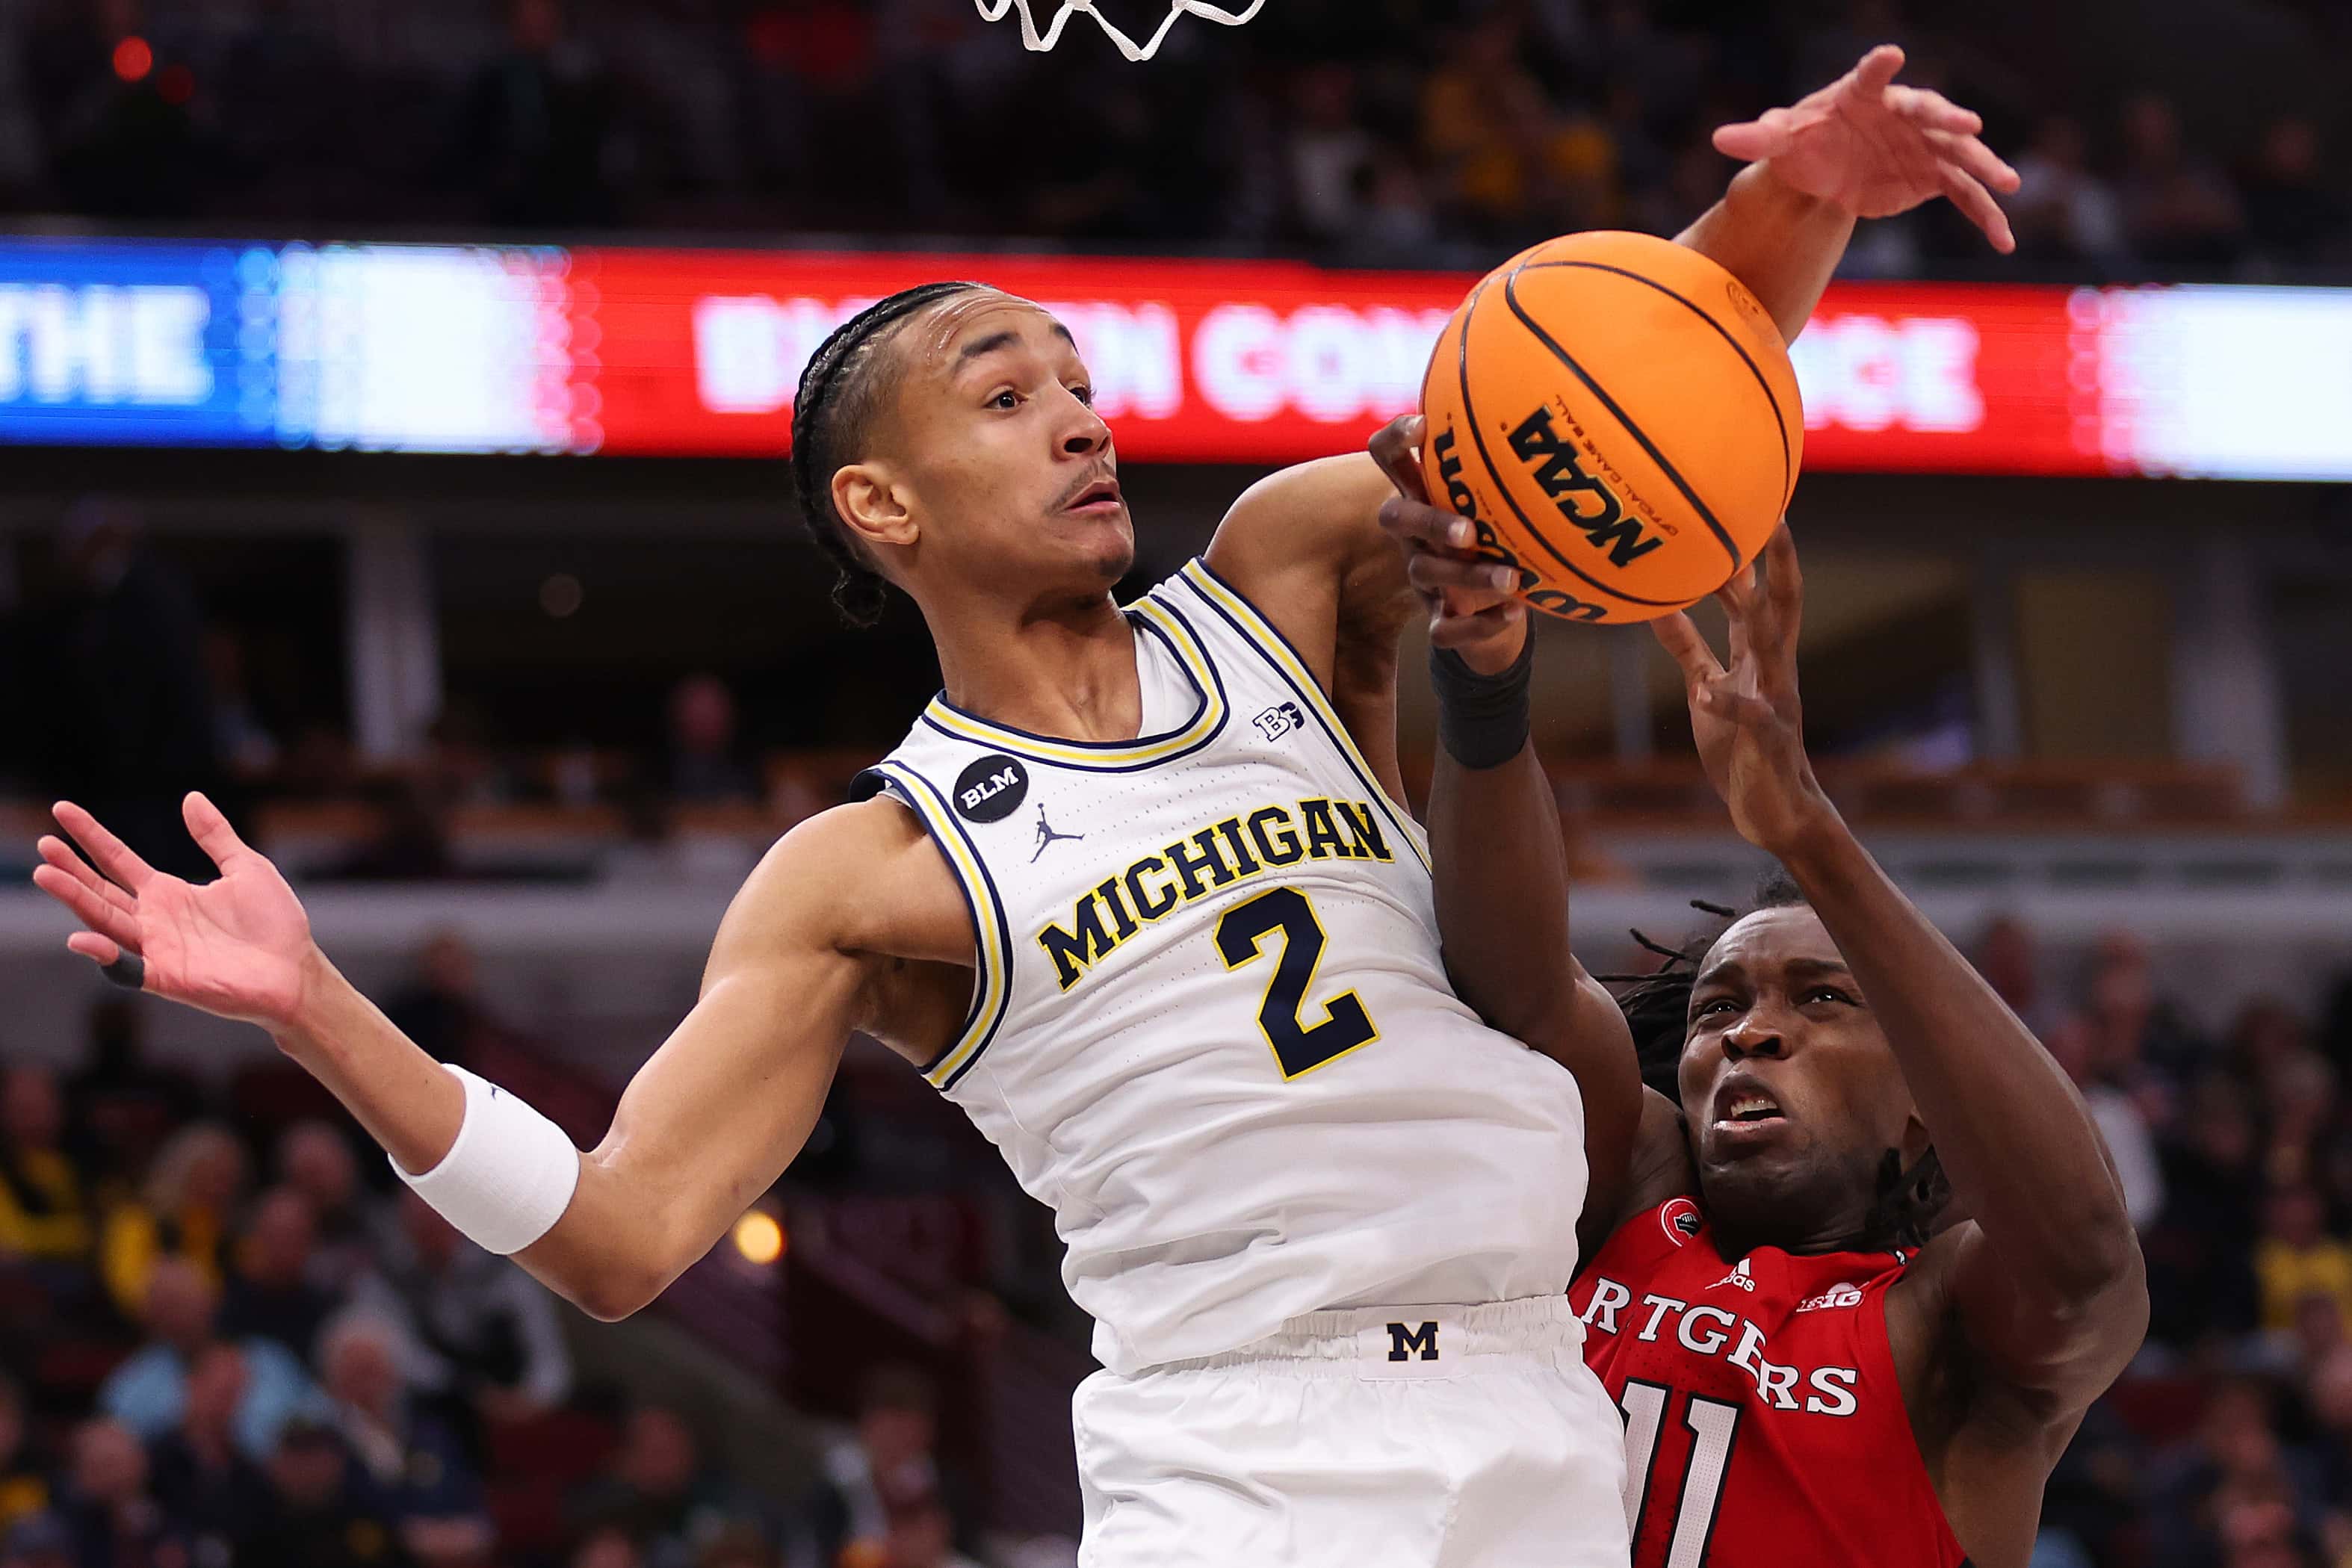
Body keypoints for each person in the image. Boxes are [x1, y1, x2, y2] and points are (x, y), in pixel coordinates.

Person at [28, 43, 2021, 1565]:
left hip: (1533, 1396)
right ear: (880, 507)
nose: (1077, 410)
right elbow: (626, 1234)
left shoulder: (1290, 570)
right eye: (1003, 390)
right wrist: (316, 1009)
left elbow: (1594, 407)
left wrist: (1801, 214)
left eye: (1076, 377)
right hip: (1246, 1458)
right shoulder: (868, 869)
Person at [1371, 505, 2147, 1567]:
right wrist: (1485, 679)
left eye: (1820, 999)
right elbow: (1521, 983)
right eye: (1717, 1009)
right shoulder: (1632, 1188)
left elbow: (2087, 1260)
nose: (1752, 1035)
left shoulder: (1944, 1334)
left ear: (1927, 1105)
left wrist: (1806, 829)